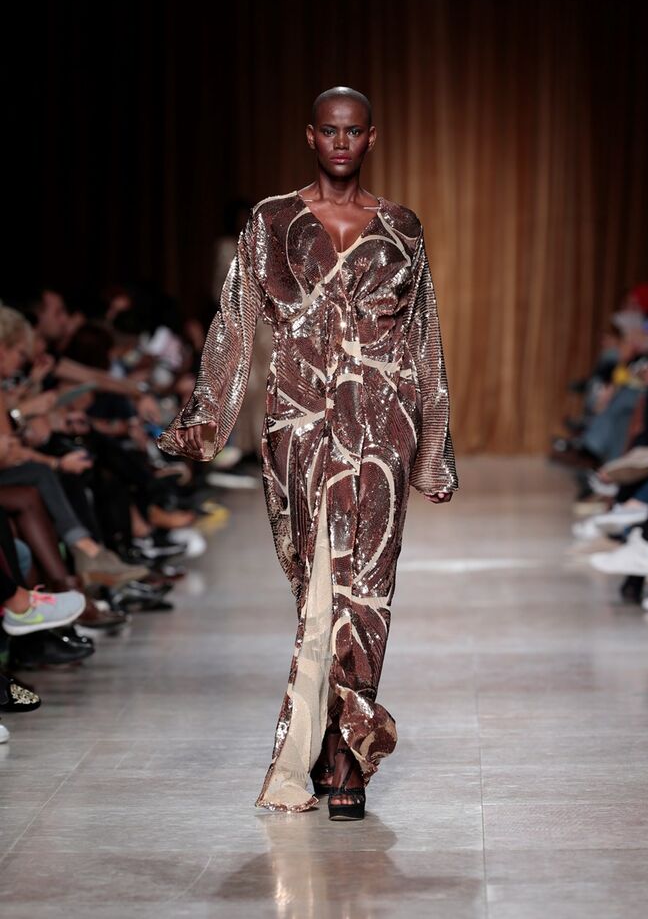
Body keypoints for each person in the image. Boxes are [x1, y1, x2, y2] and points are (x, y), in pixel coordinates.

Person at [157, 86, 459, 820]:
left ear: (371, 138)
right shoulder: (271, 220)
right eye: (330, 131)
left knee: (367, 590)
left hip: (382, 428)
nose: (341, 143)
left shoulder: (402, 227)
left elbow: (424, 339)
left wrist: (433, 452)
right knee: (316, 585)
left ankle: (345, 760)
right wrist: (206, 421)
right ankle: (328, 738)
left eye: (353, 132)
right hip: (299, 427)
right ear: (311, 136)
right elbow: (235, 323)